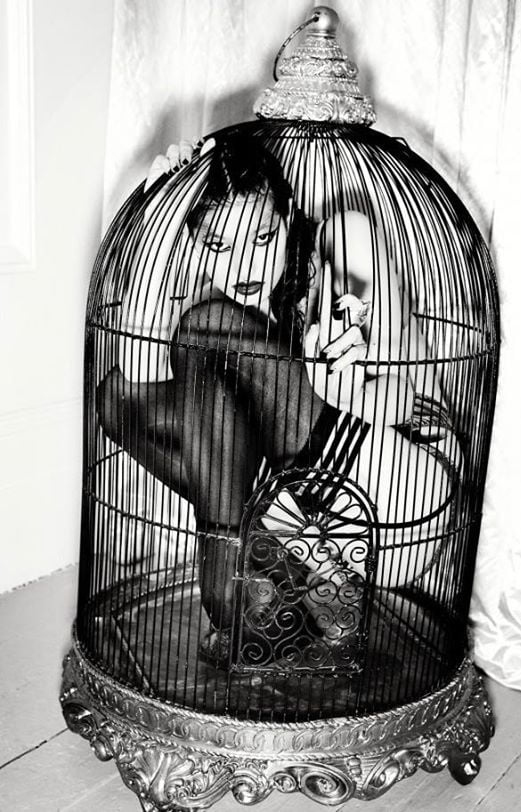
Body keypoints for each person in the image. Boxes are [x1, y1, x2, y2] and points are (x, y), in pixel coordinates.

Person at [97, 132, 461, 665]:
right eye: (217, 246)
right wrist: (159, 217)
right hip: (314, 521)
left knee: (201, 329)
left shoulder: (343, 241)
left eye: (262, 237)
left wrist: (335, 382)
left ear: (288, 217)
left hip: (400, 494)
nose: (243, 266)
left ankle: (227, 576)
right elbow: (134, 378)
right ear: (194, 241)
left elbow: (401, 401)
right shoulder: (226, 310)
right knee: (116, 398)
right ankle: (314, 584)